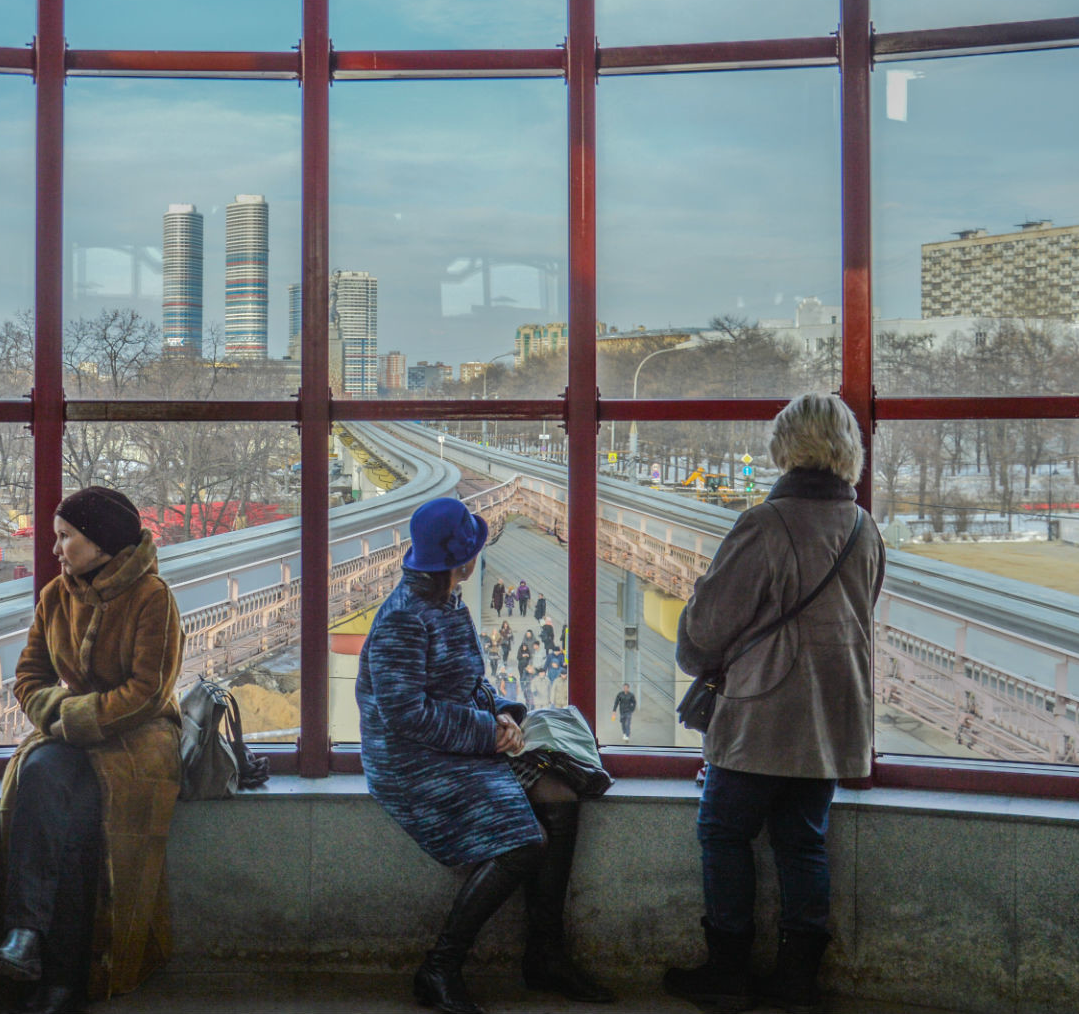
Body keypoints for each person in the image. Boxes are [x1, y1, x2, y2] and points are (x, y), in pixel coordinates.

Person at [663, 394, 885, 1014]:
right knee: (804, 842)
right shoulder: (866, 528)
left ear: (785, 446)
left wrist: (694, 645)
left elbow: (708, 627)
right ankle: (797, 978)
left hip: (763, 711)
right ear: (848, 449)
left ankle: (727, 967)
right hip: (835, 712)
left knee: (723, 831)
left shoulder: (764, 523)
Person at [357, 497, 613, 1014]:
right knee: (525, 843)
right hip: (412, 761)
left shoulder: (446, 601)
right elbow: (406, 716)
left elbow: (471, 683)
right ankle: (440, 966)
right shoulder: (403, 619)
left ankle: (544, 954)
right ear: (462, 559)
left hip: (455, 742)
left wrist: (505, 713)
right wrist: (487, 732)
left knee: (562, 801)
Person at [0, 486, 185, 1014]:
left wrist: (74, 715)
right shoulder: (56, 594)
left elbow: (149, 692)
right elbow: (29, 677)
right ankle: (40, 952)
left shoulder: (152, 597)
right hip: (71, 735)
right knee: (42, 777)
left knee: (74, 820)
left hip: (140, 740)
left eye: (65, 537)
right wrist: (60, 714)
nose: (54, 549)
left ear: (100, 543)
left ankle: (44, 958)